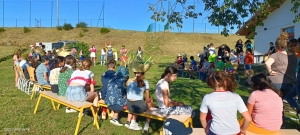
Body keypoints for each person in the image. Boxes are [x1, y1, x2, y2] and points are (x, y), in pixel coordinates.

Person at [265, 32, 297, 128]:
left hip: (276, 82)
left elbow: (267, 63)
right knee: (280, 103)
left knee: (273, 105)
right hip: (289, 83)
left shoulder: (276, 55)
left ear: (276, 45)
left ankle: (274, 124)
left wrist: (270, 71)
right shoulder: (293, 56)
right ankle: (281, 124)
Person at [125, 63, 154, 132]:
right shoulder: (145, 82)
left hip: (128, 104)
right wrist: (150, 100)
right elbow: (147, 100)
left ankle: (132, 121)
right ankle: (146, 124)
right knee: (151, 104)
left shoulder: (130, 81)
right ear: (143, 73)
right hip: (137, 106)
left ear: (134, 73)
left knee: (137, 102)